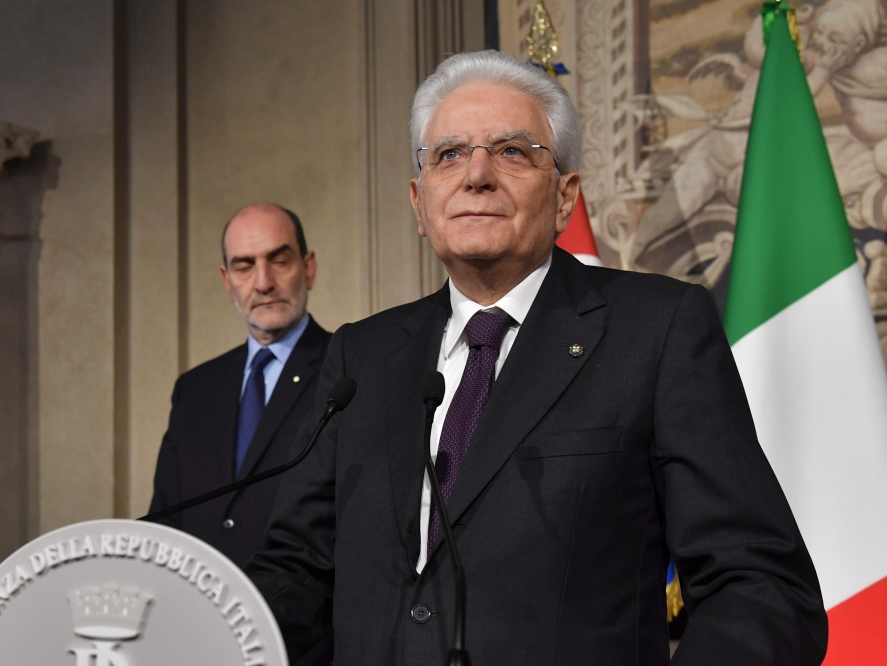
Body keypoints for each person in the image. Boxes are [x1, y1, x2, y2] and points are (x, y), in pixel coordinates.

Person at [245, 51, 827, 664]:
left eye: (512, 151)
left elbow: (762, 585)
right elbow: (296, 576)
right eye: (449, 154)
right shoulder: (360, 356)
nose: (476, 175)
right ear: (419, 203)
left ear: (565, 196)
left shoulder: (656, 331)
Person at [149, 203, 331, 569]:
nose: (263, 283)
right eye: (244, 265)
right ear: (226, 280)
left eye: (279, 260)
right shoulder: (194, 389)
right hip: (202, 614)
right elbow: (164, 522)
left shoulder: (345, 371)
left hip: (306, 620)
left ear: (308, 268)